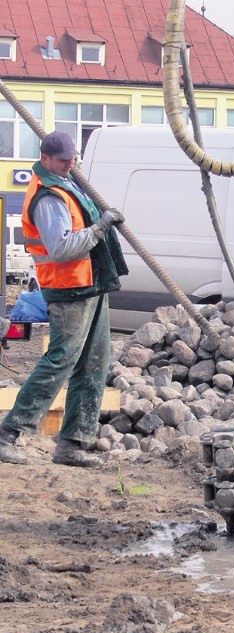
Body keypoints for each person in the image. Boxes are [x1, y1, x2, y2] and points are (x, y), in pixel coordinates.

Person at [0, 131, 128, 468]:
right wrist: (100, 227)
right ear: (45, 159)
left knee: (95, 362)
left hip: (89, 286)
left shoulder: (66, 184)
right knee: (60, 360)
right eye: (63, 160)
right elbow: (61, 248)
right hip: (69, 288)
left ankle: (73, 444)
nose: (70, 164)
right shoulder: (49, 197)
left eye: (73, 159)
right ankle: (9, 433)